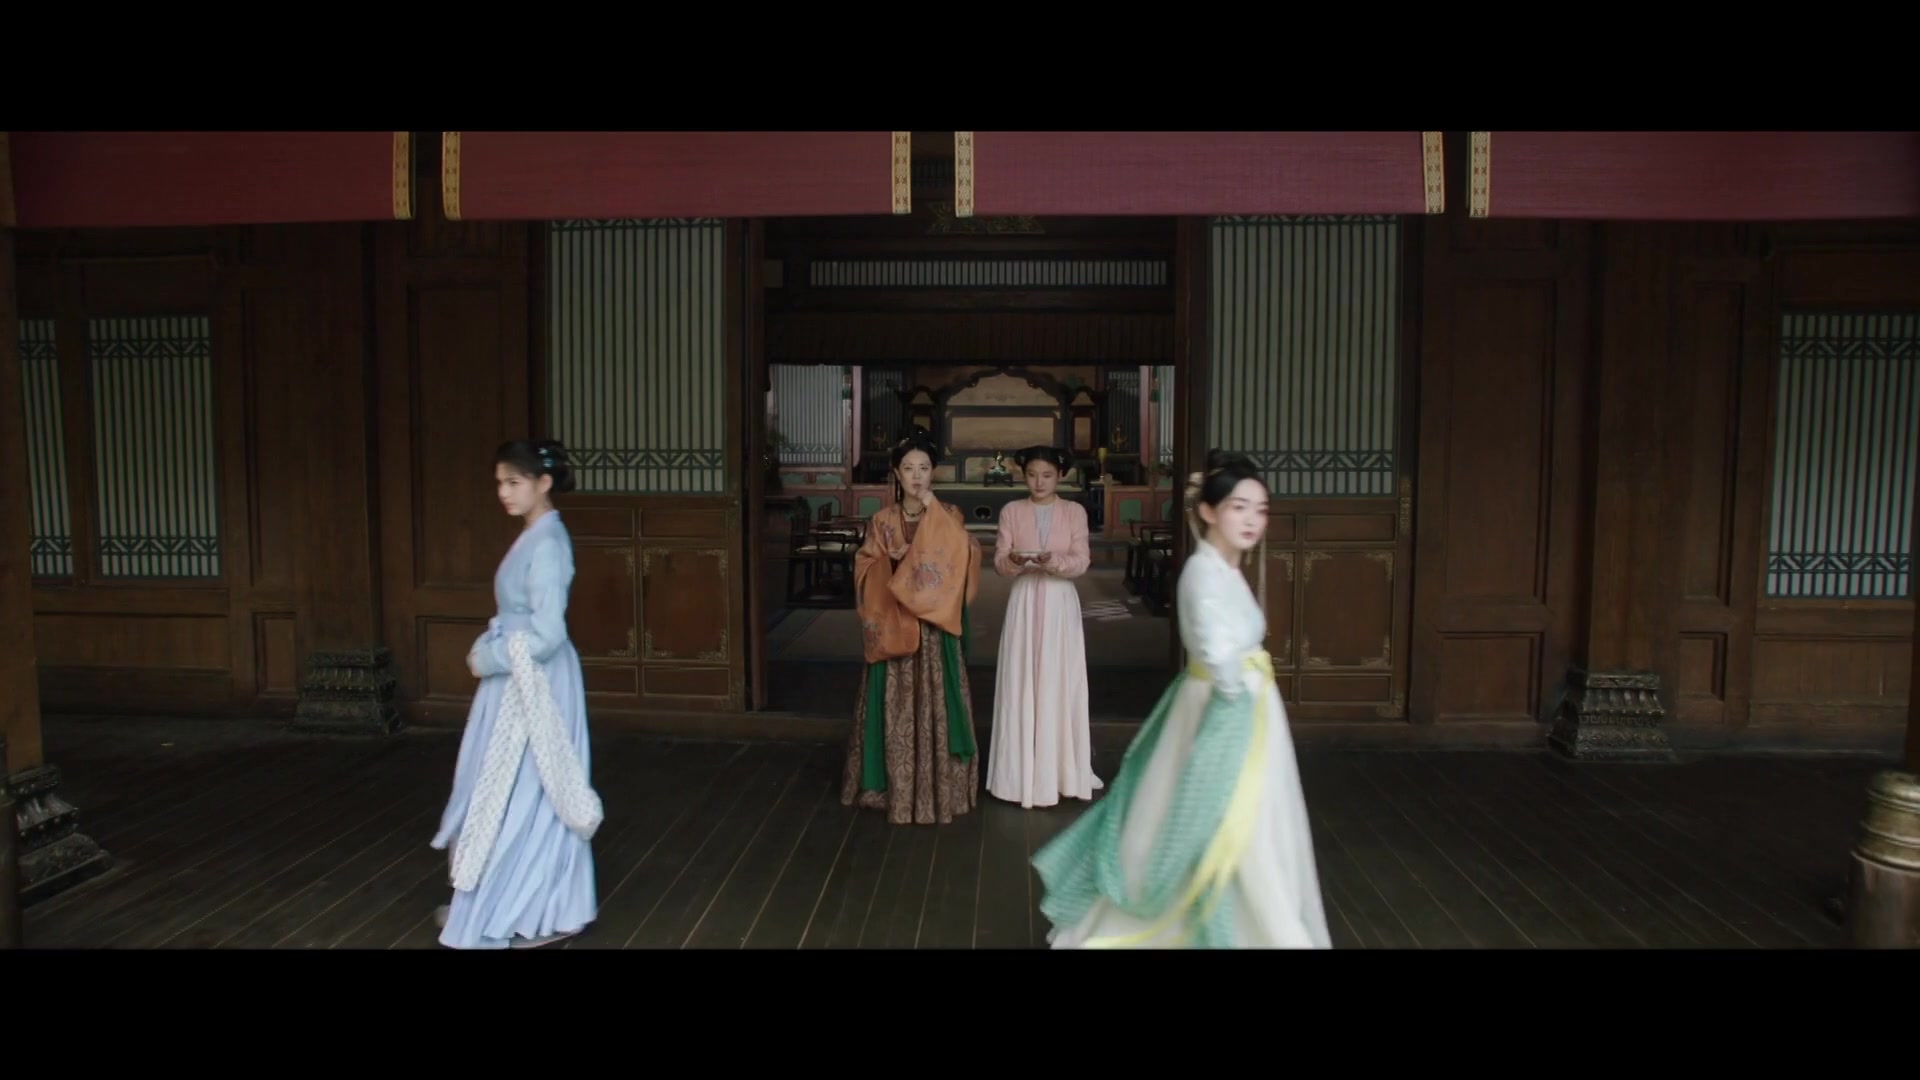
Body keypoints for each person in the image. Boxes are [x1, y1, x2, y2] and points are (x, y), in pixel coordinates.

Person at [1030, 450, 1330, 948]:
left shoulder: (1226, 569)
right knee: (1220, 822)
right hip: (1222, 709)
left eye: (1260, 510)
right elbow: (1216, 655)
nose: (1252, 520)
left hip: (1246, 708)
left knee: (1253, 828)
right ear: (1208, 511)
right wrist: (1234, 712)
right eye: (1238, 507)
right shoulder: (1202, 573)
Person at [429, 438, 603, 949]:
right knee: (501, 788)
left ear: (543, 483)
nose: (504, 492)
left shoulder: (549, 543)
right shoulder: (533, 534)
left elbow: (547, 635)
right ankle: (494, 897)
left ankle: (539, 907)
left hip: (534, 681)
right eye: (500, 483)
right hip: (516, 677)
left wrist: (490, 657)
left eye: (514, 482)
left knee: (531, 791)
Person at [841, 428, 983, 825]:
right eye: (908, 468)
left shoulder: (948, 514)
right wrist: (892, 563)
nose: (917, 476)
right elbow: (864, 565)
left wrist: (931, 509)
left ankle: (942, 790)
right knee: (892, 699)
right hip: (894, 624)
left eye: (924, 468)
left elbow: (964, 552)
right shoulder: (882, 520)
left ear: (933, 473)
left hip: (934, 627)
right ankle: (890, 790)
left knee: (939, 699)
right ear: (896, 473)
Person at [986, 446, 1101, 808]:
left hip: (1059, 600)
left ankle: (1061, 771)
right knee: (1021, 677)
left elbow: (1082, 560)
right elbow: (999, 561)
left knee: (1058, 677)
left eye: (1047, 475)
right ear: (1024, 476)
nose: (1039, 482)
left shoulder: (1074, 512)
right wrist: (1014, 560)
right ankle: (1017, 774)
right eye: (1033, 475)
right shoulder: (1011, 511)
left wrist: (1054, 562)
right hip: (1023, 600)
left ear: (1061, 476)